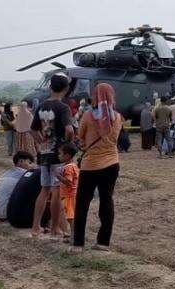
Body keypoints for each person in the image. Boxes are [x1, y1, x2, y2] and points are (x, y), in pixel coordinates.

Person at [72, 83, 123, 253]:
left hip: (90, 165)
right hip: (112, 163)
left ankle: (78, 243)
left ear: (94, 96)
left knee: (82, 204)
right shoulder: (117, 117)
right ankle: (103, 242)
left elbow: (80, 139)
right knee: (106, 201)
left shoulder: (87, 116)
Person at [31, 73, 74, 239]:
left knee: (44, 190)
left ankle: (36, 227)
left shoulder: (41, 106)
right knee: (57, 191)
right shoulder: (63, 108)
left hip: (44, 153)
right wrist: (66, 145)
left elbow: (32, 129)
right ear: (66, 89)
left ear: (50, 87)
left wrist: (42, 142)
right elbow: (69, 130)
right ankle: (55, 228)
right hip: (58, 154)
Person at [0, 151, 35, 221]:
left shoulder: (7, 173)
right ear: (21, 161)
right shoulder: (25, 174)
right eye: (29, 163)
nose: (32, 166)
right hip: (8, 213)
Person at [57, 143, 79, 241]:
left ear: (67, 155)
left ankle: (74, 236)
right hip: (71, 194)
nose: (58, 156)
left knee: (70, 217)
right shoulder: (74, 165)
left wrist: (58, 176)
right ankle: (74, 235)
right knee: (71, 216)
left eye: (60, 154)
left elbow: (68, 182)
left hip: (69, 195)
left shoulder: (68, 168)